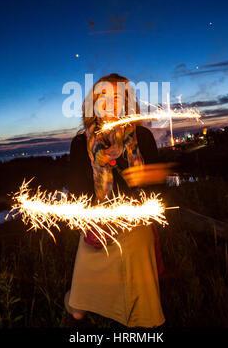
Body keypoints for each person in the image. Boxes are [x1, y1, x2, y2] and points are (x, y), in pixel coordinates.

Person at [64, 73, 165, 328]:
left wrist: (133, 168)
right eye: (104, 96)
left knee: (142, 313)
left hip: (135, 226)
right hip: (98, 228)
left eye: (118, 97)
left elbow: (157, 190)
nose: (111, 103)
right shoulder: (80, 143)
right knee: (77, 310)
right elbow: (77, 192)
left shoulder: (142, 137)